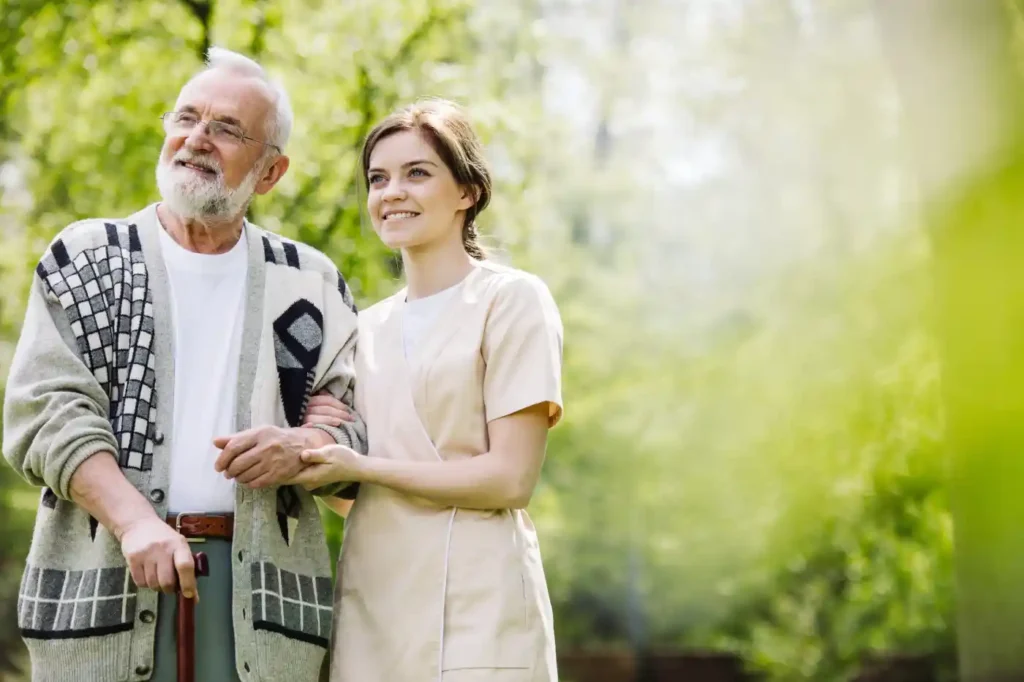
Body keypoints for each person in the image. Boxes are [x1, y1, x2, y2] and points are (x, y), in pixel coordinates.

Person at [2, 47, 366, 682]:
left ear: (271, 171)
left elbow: (351, 434)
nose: (197, 139)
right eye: (186, 118)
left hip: (264, 602)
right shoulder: (85, 259)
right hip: (104, 583)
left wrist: (303, 446)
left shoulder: (310, 283)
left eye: (227, 129)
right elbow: (45, 414)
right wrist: (135, 521)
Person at [291, 98, 565, 682]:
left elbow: (510, 479)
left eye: (417, 173)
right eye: (378, 178)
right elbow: (352, 492)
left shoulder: (511, 301)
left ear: (467, 191)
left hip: (479, 607)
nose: (392, 192)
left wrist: (364, 468)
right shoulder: (360, 328)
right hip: (375, 605)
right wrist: (314, 466)